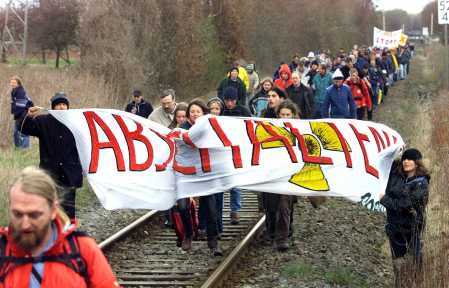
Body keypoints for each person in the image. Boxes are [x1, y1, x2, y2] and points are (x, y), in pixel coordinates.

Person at [0, 166, 119, 287]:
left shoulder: (82, 249)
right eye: (17, 214)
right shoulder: (2, 251)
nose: (25, 225)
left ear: (53, 210)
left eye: (34, 215)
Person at [18, 92, 83, 220]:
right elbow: (24, 128)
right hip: (49, 174)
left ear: (68, 107)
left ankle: (68, 236)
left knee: (69, 211)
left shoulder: (76, 122)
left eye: (64, 104)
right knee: (50, 208)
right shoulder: (43, 121)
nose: (61, 107)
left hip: (70, 174)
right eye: (58, 104)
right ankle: (51, 235)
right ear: (53, 107)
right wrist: (28, 115)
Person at [177, 99, 222, 256]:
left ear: (203, 113)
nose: (195, 114)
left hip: (205, 173)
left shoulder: (210, 128)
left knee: (210, 208)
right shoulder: (182, 128)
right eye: (192, 112)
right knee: (182, 206)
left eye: (198, 112)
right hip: (186, 173)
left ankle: (213, 242)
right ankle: (189, 233)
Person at [380, 148, 430, 286]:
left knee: (414, 267)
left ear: (417, 162)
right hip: (394, 230)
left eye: (410, 159)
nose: (406, 161)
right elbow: (385, 163)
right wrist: (395, 152)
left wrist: (384, 200)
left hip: (411, 232)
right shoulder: (398, 176)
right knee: (398, 268)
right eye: (405, 159)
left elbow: (403, 205)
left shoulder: (421, 183)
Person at [221, 87, 251, 225]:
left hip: (238, 149)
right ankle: (218, 211)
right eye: (227, 101)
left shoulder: (244, 111)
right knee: (220, 183)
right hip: (222, 150)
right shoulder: (221, 111)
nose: (229, 104)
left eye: (232, 101)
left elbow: (250, 128)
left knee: (235, 183)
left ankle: (235, 210)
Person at [10, 75, 32, 149]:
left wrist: (18, 116)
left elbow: (21, 106)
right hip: (19, 114)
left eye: (14, 82)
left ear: (18, 83)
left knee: (24, 132)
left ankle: (25, 149)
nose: (12, 84)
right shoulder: (14, 91)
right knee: (16, 133)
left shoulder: (20, 92)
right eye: (11, 82)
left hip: (24, 113)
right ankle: (18, 148)